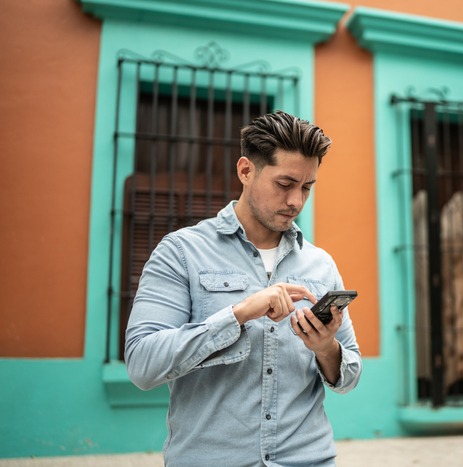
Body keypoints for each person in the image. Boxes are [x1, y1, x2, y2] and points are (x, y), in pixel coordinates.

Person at [125, 111, 362, 467]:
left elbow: (349, 375)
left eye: (307, 187)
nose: (296, 201)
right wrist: (238, 314)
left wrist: (325, 347)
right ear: (246, 171)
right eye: (285, 184)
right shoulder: (181, 252)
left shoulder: (321, 265)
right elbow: (143, 364)